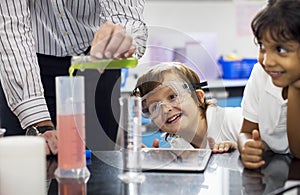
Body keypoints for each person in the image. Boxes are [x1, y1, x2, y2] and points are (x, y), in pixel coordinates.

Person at [0, 1, 147, 155]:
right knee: (24, 165)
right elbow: (11, 28)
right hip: (26, 66)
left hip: (97, 60)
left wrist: (121, 36)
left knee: (98, 165)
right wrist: (38, 123)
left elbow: (127, 17)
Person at [238, 0, 300, 169]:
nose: (267, 61)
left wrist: (295, 88)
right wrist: (246, 145)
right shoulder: (260, 73)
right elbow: (246, 131)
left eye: (280, 50)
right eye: (262, 46)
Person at [132, 62, 242, 153]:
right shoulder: (178, 147)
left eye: (172, 97)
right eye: (155, 107)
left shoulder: (234, 120)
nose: (165, 109)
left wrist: (236, 153)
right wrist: (158, 164)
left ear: (198, 98)